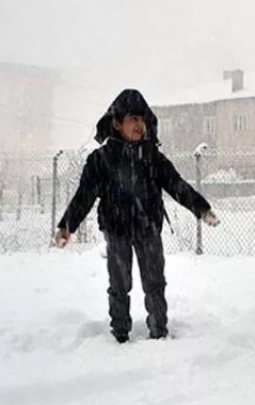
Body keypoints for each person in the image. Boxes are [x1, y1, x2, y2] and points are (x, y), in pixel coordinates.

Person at [54, 89, 219, 343]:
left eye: (142, 120)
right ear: (117, 123)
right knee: (119, 285)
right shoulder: (101, 160)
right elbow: (84, 195)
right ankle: (120, 334)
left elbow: (177, 185)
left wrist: (201, 208)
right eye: (132, 119)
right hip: (116, 229)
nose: (139, 125)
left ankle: (159, 333)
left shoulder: (152, 157)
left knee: (155, 282)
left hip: (148, 229)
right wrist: (67, 226)